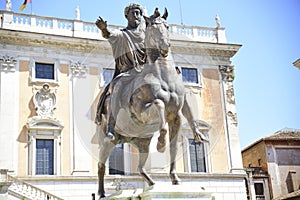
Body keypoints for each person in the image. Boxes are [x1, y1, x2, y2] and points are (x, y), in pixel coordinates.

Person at [95, 3, 146, 141]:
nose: (137, 16)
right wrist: (104, 29)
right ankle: (111, 127)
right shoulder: (122, 34)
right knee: (117, 88)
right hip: (128, 73)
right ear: (127, 16)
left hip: (145, 72)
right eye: (133, 13)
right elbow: (109, 35)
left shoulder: (146, 35)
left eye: (138, 13)